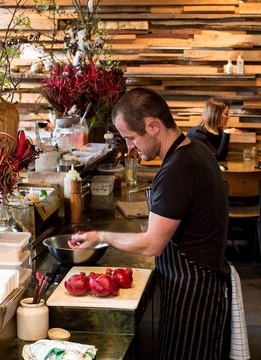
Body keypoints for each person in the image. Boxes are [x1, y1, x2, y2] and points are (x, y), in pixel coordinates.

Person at [69, 88, 231, 359]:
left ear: (153, 126)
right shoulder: (194, 148)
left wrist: (99, 236)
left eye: (131, 138)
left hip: (196, 292)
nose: (130, 147)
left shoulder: (178, 169)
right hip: (198, 284)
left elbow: (152, 244)